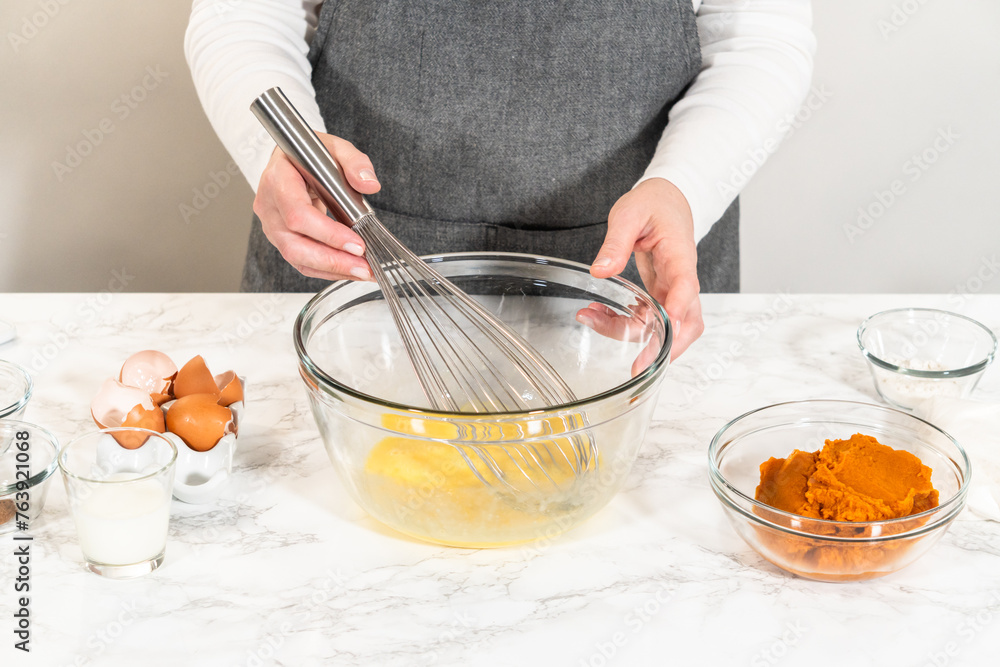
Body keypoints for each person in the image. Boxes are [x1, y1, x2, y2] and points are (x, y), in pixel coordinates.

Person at [186, 0, 815, 359]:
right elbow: (243, 15)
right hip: (348, 257)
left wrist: (685, 187)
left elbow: (760, 42)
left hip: (627, 282)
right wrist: (281, 148)